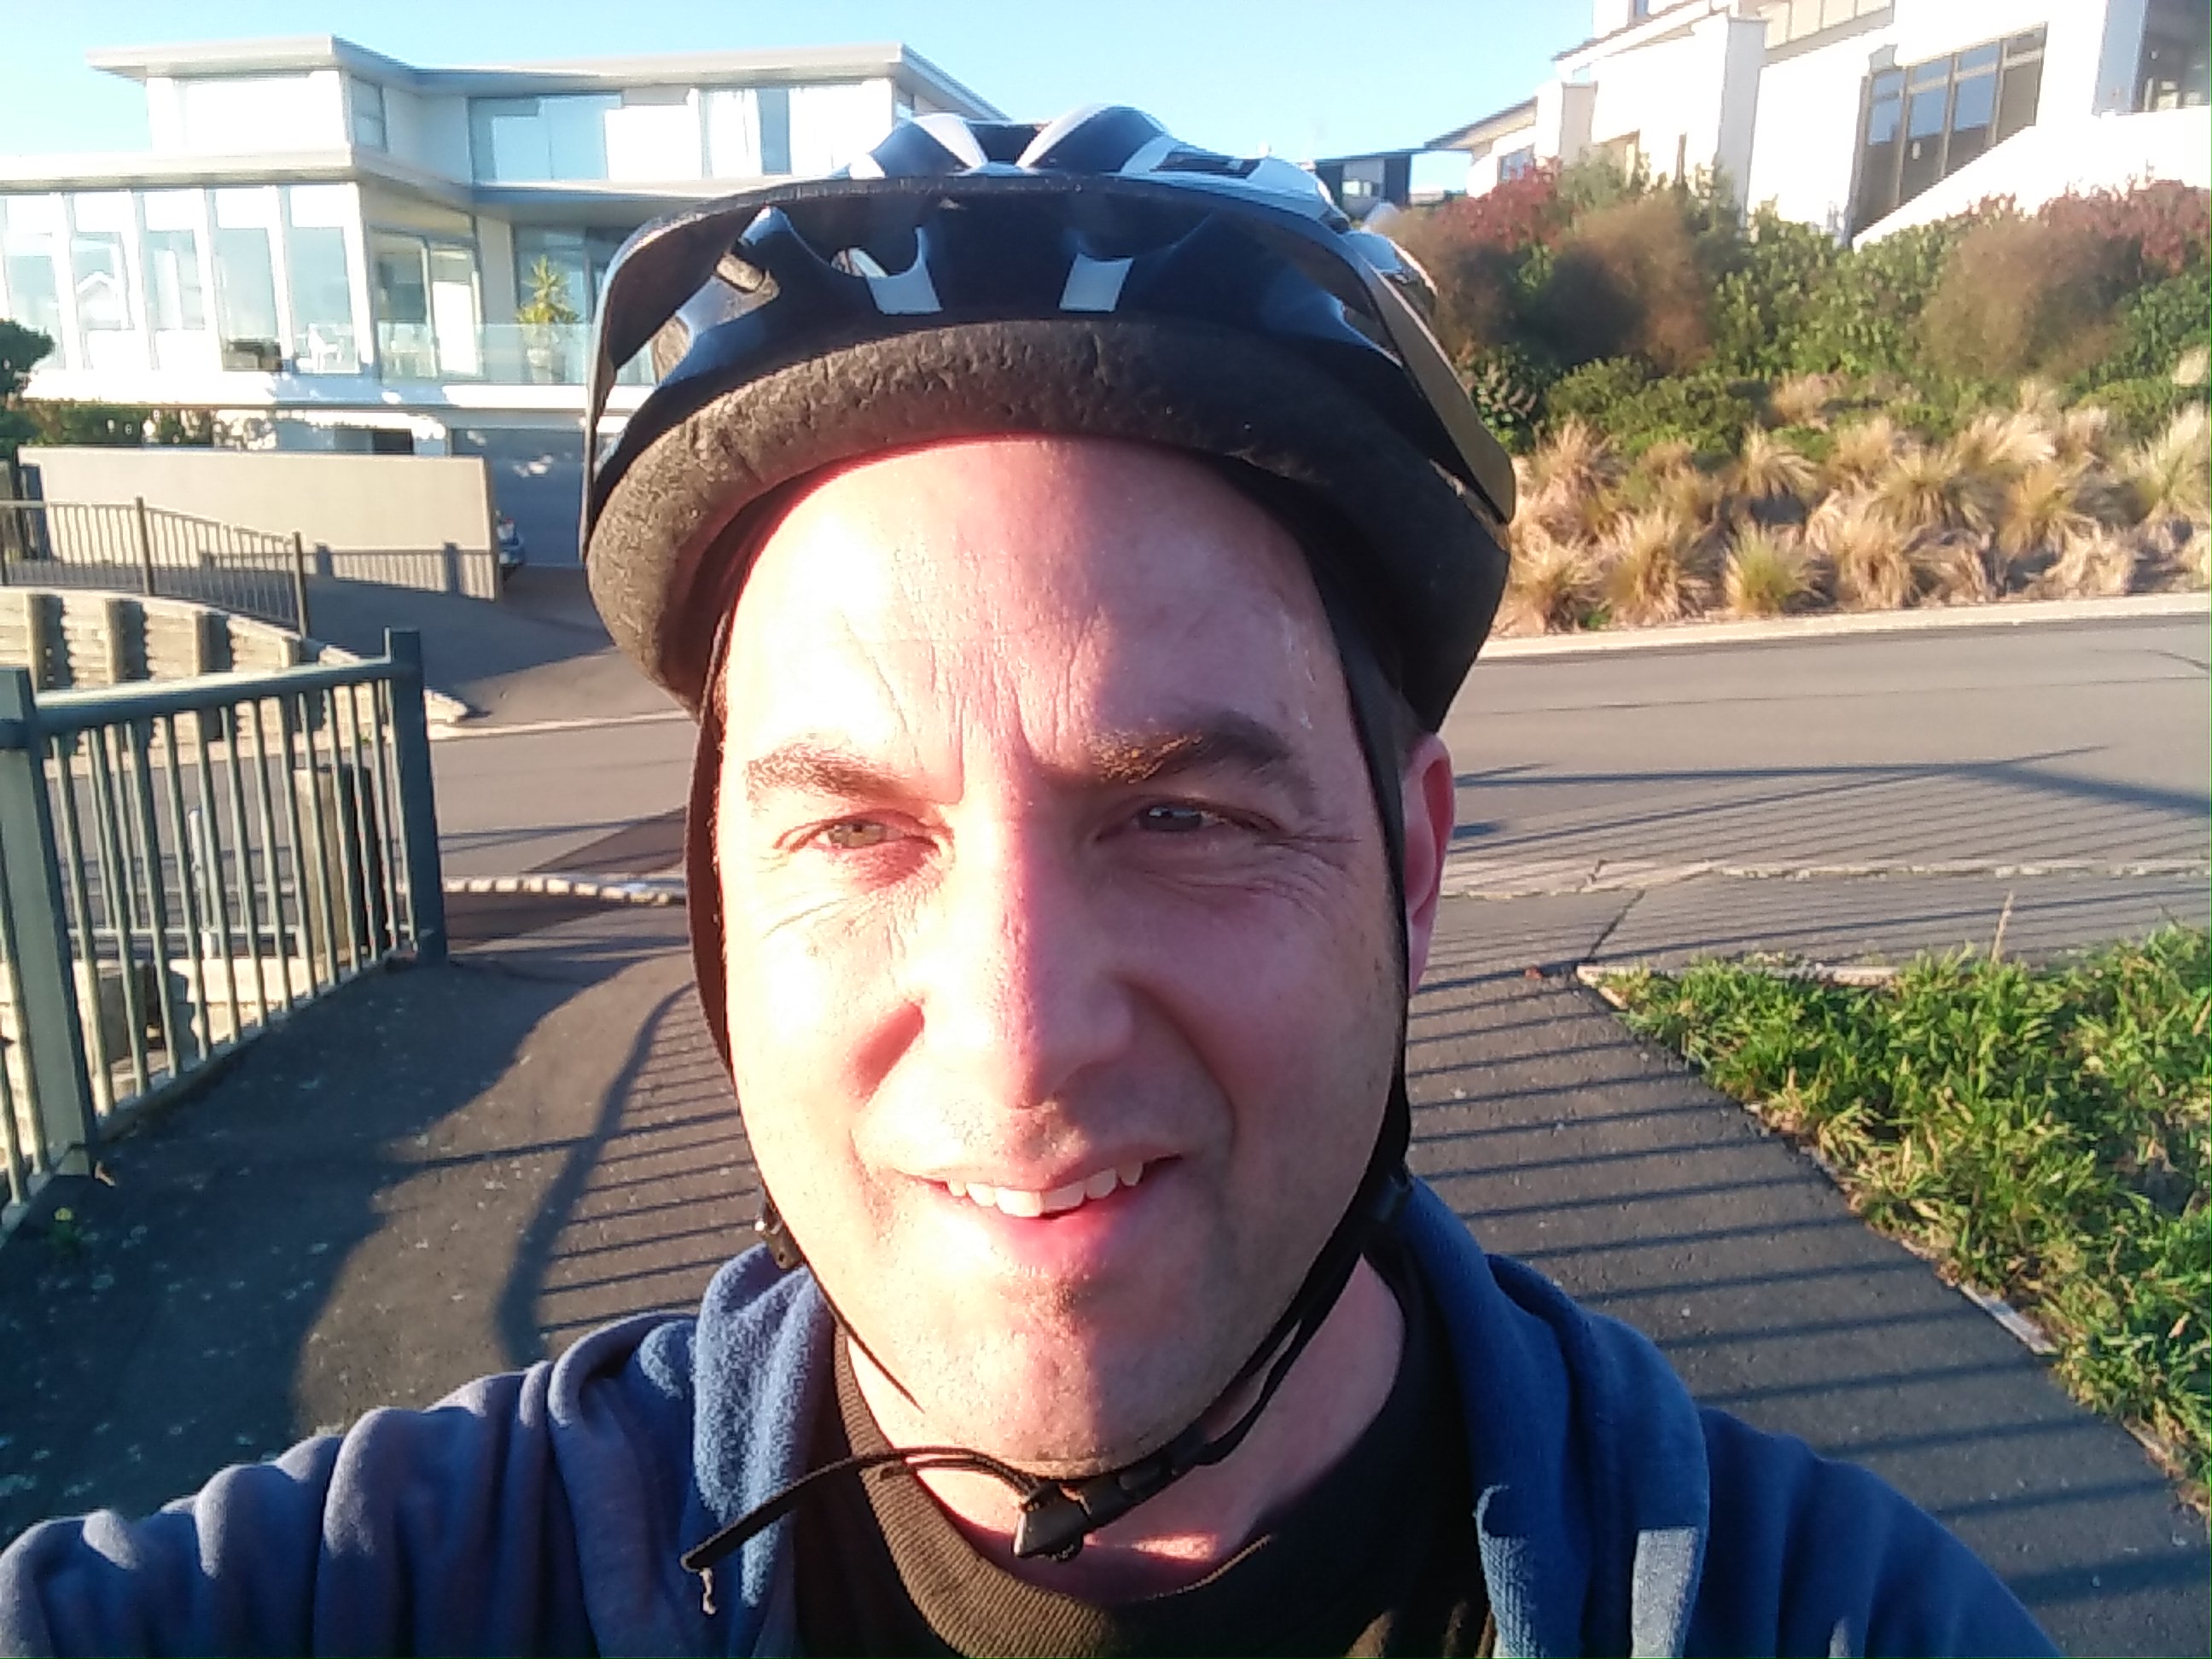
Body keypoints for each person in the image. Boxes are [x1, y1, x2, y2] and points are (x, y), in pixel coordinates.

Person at [0, 108, 2053, 1658]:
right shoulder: (399, 1583)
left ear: (1415, 870)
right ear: (718, 911)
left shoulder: (1824, 1614)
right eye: (853, 830)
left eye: (1182, 816)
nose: (1015, 1043)